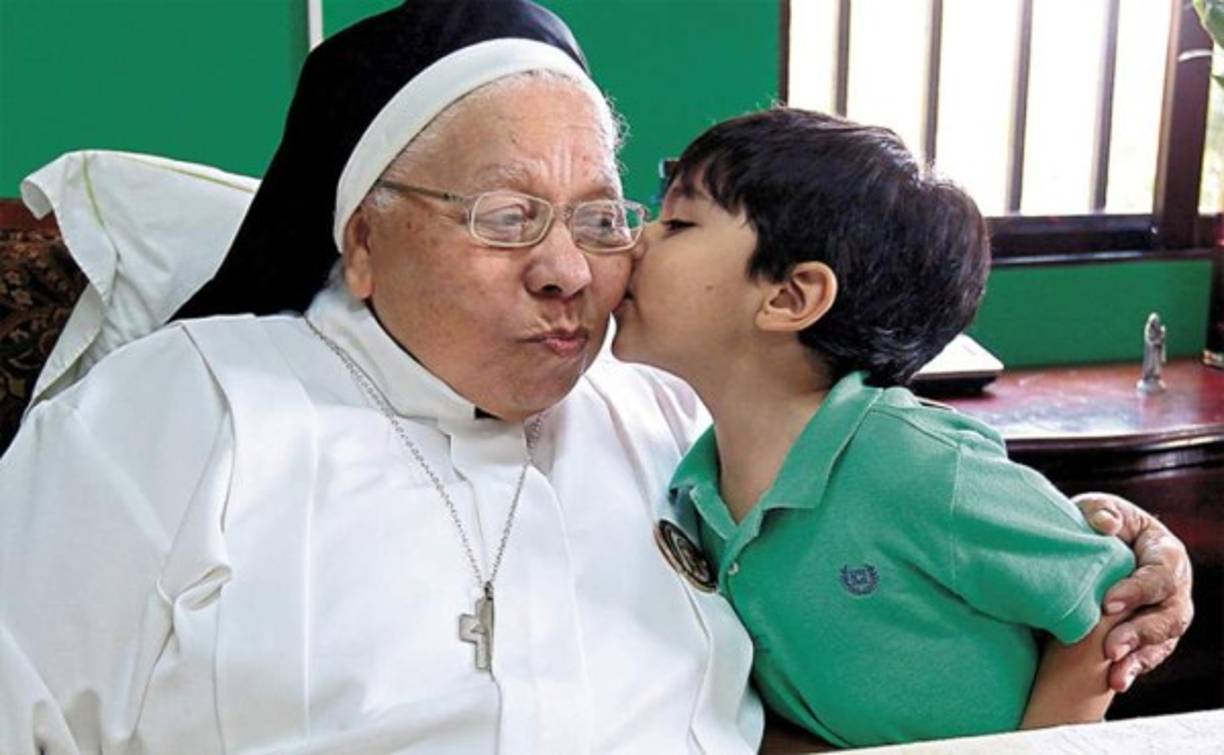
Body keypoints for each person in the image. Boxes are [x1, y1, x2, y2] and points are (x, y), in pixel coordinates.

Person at [0, 2, 1193, 753]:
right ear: (360, 241)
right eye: (508, 215)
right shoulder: (179, 409)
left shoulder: (679, 413)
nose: (570, 271)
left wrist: (1125, 546)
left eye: (604, 216)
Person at [610, 107, 1186, 747]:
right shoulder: (700, 488)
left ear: (790, 298)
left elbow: (1112, 606)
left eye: (678, 223)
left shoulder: (917, 464)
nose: (635, 240)